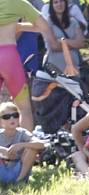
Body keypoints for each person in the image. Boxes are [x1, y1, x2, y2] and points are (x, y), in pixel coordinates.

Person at [1, 0, 59, 130]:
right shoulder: (18, 3)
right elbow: (43, 26)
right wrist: (17, 26)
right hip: (8, 55)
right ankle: (27, 149)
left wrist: (16, 26)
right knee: (24, 109)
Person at [0, 102, 45, 185]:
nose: (12, 119)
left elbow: (41, 144)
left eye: (15, 115)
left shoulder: (22, 133)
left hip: (19, 170)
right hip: (2, 169)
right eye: (7, 117)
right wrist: (3, 150)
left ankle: (19, 181)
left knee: (32, 148)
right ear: (1, 121)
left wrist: (21, 145)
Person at [43, 0, 85, 73]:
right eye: (56, 2)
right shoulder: (48, 22)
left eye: (61, 1)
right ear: (51, 5)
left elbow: (81, 43)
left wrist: (63, 41)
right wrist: (73, 43)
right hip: (54, 68)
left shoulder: (73, 21)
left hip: (73, 67)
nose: (59, 4)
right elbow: (54, 46)